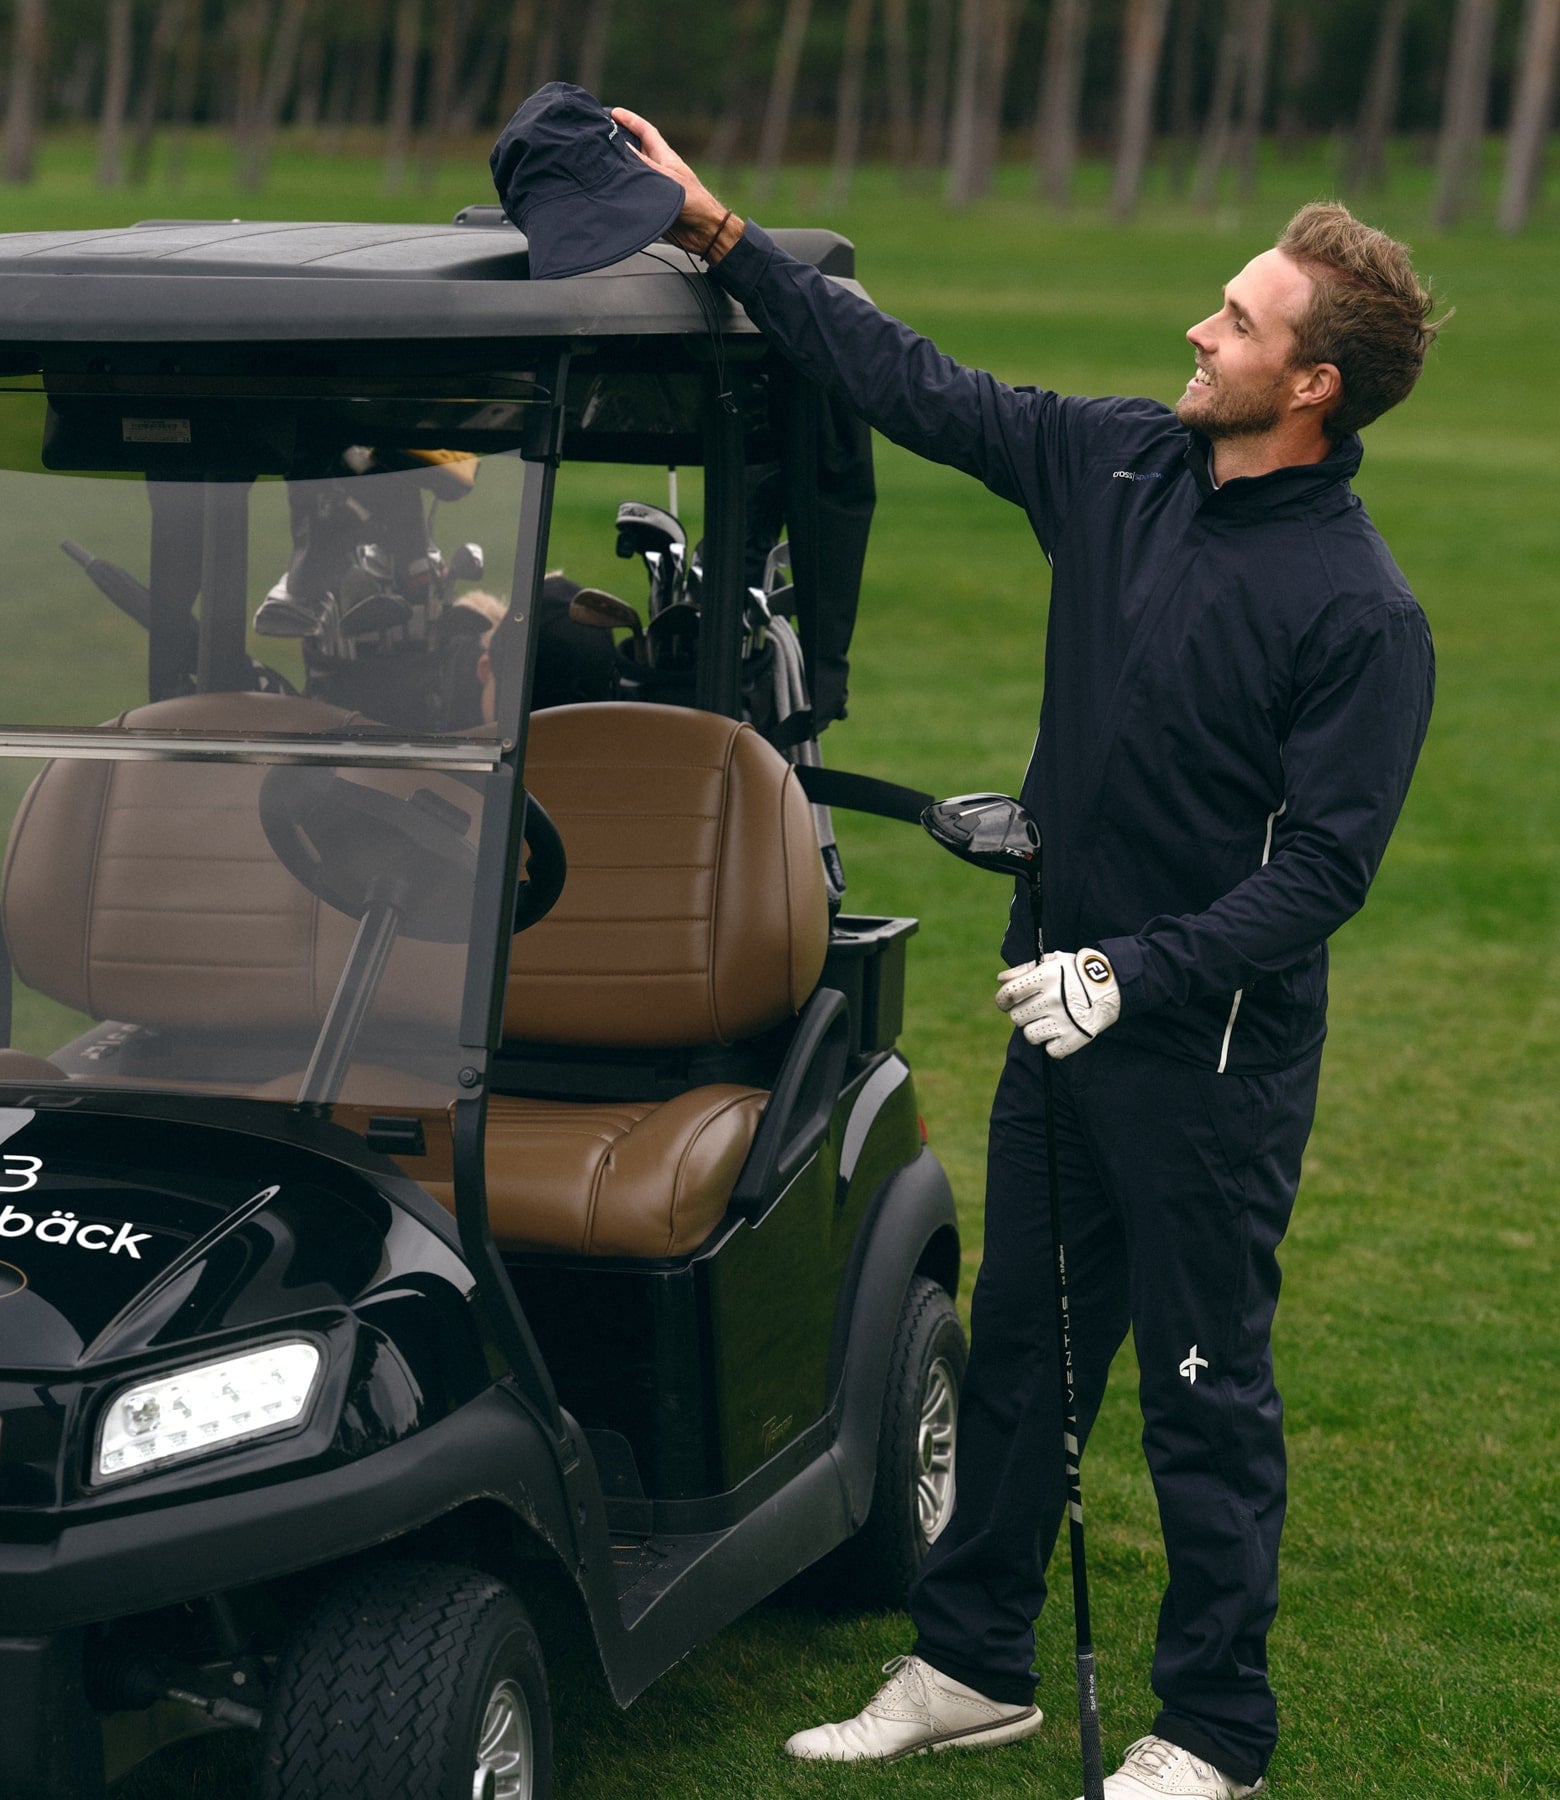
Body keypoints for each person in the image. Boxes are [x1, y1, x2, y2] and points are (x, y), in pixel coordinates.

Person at [607, 109, 1438, 1800]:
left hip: (1202, 1067)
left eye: (1237, 320)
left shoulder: (1364, 611)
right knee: (1023, 1365)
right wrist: (721, 238)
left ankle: (1215, 1732)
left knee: (1206, 1393)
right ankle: (972, 1666)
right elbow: (919, 387)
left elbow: (1327, 875)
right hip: (1056, 1016)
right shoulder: (1124, 465)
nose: (1198, 332)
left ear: (1312, 388)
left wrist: (1130, 973)